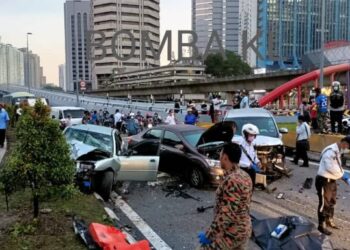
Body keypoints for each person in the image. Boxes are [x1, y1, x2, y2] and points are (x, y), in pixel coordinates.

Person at [198, 143, 252, 250]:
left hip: (231, 234)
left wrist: (209, 235)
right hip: (243, 230)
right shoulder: (245, 175)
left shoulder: (233, 180)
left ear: (225, 157)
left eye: (220, 154)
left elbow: (226, 215)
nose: (219, 156)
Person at [315, 136, 350, 235]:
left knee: (332, 202)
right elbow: (331, 167)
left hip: (332, 181)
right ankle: (321, 226)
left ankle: (329, 220)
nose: (347, 149)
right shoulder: (330, 151)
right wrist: (344, 176)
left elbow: (338, 166)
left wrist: (344, 176)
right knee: (324, 204)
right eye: (348, 146)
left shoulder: (338, 150)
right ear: (344, 142)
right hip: (324, 181)